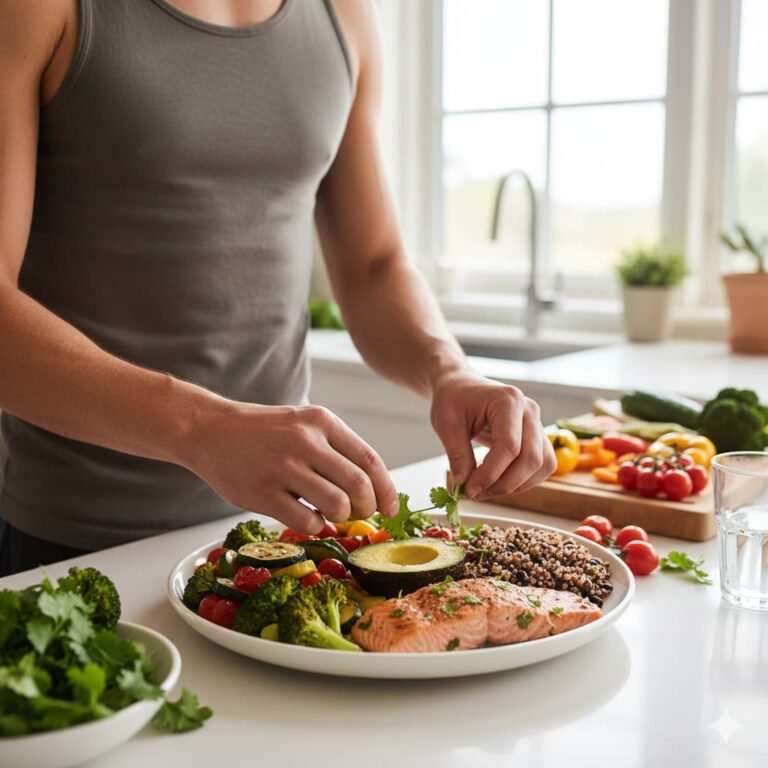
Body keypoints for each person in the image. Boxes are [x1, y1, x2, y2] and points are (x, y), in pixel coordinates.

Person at [0, 0, 556, 576]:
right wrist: (205, 429)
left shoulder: (344, 15)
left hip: (281, 533)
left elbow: (373, 265)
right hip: (79, 540)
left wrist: (449, 371)